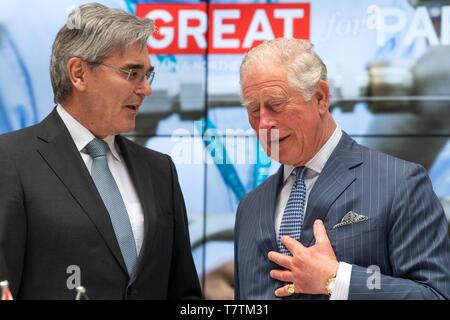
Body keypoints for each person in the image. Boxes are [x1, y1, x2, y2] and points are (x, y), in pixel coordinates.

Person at [0, 3, 201, 299]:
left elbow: (183, 292)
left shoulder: (160, 170)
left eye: (148, 75)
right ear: (79, 73)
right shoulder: (11, 159)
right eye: (132, 73)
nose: (146, 89)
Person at [234, 38, 450, 300]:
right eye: (254, 110)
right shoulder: (250, 207)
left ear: (320, 98)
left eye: (276, 104)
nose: (264, 123)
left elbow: (435, 295)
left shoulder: (400, 182)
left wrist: (338, 280)